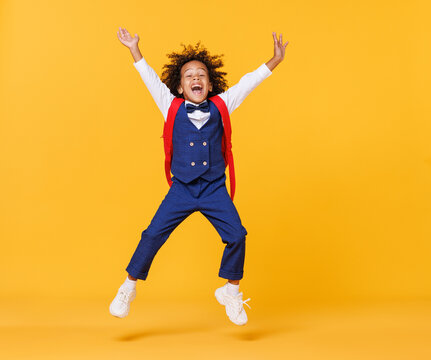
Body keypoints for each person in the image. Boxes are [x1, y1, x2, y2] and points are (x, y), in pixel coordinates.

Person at [110, 27, 288, 325]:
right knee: (152, 235)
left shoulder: (223, 104)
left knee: (237, 235)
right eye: (189, 75)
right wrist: (134, 49)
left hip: (214, 189)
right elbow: (149, 79)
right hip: (181, 188)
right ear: (179, 87)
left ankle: (230, 291)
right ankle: (128, 287)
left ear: (211, 83)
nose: (196, 78)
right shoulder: (170, 106)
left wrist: (274, 61)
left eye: (202, 75)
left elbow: (248, 83)